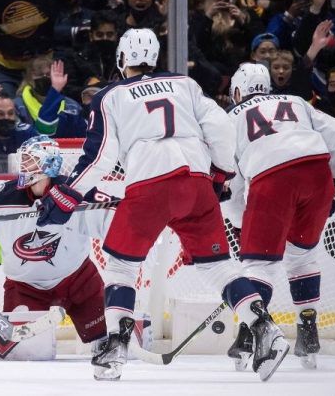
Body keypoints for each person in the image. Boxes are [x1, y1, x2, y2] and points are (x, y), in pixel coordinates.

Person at [37, 29, 287, 381]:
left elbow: (100, 158)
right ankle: (264, 328)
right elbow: (220, 128)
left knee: (122, 267)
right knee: (218, 267)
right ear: (154, 59)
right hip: (197, 185)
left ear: (122, 59)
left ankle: (115, 348)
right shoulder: (185, 84)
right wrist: (221, 174)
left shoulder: (111, 95)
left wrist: (66, 194)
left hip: (150, 187)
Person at [223, 62, 335, 370]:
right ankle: (308, 335)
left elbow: (232, 187)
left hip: (272, 180)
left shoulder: (229, 118)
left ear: (238, 92)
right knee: (301, 255)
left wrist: (242, 222)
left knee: (259, 262)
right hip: (316, 174)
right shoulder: (297, 102)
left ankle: (249, 335)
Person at [0, 136, 109, 351]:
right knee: (24, 351)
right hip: (25, 288)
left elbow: (113, 217)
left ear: (49, 164)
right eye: (23, 160)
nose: (23, 166)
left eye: (30, 160)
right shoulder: (4, 196)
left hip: (79, 280)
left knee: (110, 340)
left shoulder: (75, 192)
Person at [14, 58, 86, 137]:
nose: (44, 78)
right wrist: (55, 90)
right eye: (39, 75)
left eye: (49, 74)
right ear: (29, 79)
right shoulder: (17, 106)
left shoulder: (72, 106)